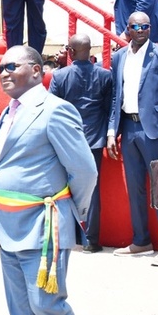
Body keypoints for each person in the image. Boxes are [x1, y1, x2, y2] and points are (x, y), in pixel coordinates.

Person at [0, 45, 99, 315]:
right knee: (21, 312)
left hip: (43, 225)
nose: (3, 72)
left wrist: (68, 211)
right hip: (8, 226)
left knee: (45, 303)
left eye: (11, 66)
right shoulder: (10, 110)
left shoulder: (55, 110)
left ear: (37, 71)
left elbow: (84, 171)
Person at [107, 12, 158, 266]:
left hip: (157, 132)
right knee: (135, 188)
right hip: (128, 129)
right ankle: (141, 240)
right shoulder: (119, 57)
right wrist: (111, 131)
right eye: (136, 26)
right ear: (127, 29)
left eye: (145, 26)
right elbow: (116, 97)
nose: (141, 30)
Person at [49, 34, 112, 253]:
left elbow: (52, 110)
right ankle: (91, 240)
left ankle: (67, 235)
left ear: (71, 52)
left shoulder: (60, 77)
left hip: (66, 139)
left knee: (62, 188)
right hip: (94, 139)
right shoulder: (105, 76)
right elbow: (108, 108)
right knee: (92, 189)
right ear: (90, 51)